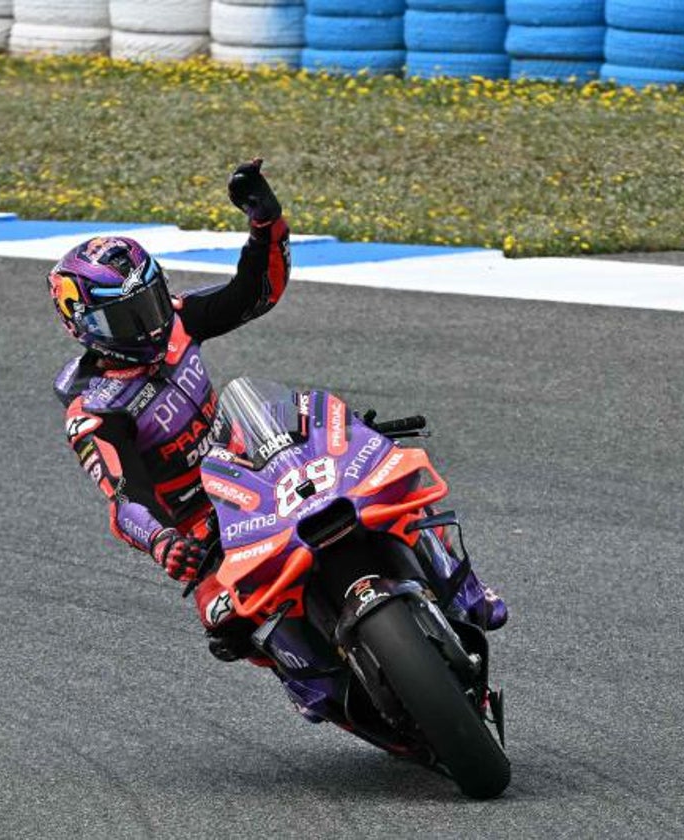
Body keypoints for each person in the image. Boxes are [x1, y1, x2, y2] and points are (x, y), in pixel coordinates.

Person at [51, 160, 506, 663]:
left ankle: (466, 589)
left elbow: (255, 293)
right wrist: (162, 542)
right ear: (85, 324)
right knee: (226, 620)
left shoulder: (178, 322)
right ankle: (316, 681)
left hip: (259, 471)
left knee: (387, 478)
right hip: (208, 526)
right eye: (128, 317)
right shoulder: (95, 412)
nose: (152, 324)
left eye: (154, 302)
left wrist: (266, 226)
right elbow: (123, 499)